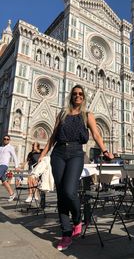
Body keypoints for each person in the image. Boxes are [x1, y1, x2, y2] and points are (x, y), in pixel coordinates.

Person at [39, 84, 114, 251]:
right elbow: (52, 136)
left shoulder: (87, 115)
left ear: (84, 97)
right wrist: (43, 154)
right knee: (61, 194)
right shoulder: (62, 114)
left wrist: (105, 150)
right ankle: (66, 234)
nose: (78, 96)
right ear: (71, 96)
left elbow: (96, 134)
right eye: (75, 94)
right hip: (58, 153)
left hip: (76, 153)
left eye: (80, 94)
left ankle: (78, 219)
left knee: (69, 191)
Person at [0, 135, 20, 201]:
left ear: (9, 140)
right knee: (4, 181)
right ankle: (12, 194)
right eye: (5, 139)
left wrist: (16, 166)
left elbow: (15, 157)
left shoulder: (11, 147)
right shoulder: (1, 147)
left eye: (7, 139)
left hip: (4, 165)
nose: (6, 140)